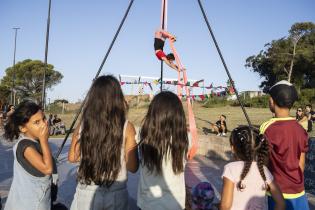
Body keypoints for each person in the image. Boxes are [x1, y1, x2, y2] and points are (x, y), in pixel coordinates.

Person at [68, 75, 138, 210]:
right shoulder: (127, 127)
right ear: (117, 98)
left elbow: (72, 157)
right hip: (116, 194)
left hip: (86, 192)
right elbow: (133, 167)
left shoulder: (83, 125)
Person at [260, 80, 309, 210]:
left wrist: (264, 181)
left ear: (272, 101)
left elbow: (263, 160)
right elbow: (301, 164)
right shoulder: (301, 129)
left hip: (277, 192)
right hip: (299, 191)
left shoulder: (267, 128)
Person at [137, 91, 189, 210]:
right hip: (175, 203)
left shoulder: (144, 135)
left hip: (147, 203)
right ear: (178, 115)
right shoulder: (185, 139)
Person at [220, 126, 285, 210]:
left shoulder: (230, 169)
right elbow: (281, 203)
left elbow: (225, 206)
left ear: (232, 148)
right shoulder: (264, 170)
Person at [4, 100, 53, 210]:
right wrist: (44, 140)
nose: (44, 124)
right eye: (37, 122)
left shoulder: (35, 142)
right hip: (30, 205)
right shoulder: (25, 146)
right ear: (23, 128)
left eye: (44, 118)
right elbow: (47, 169)